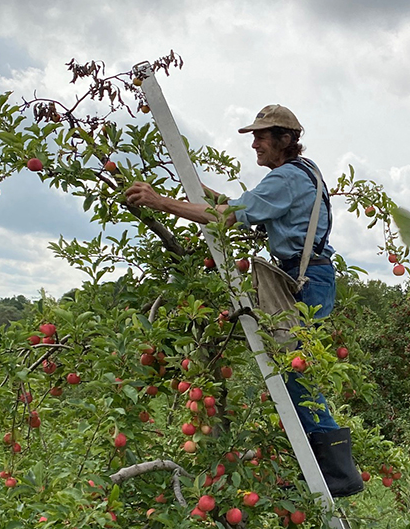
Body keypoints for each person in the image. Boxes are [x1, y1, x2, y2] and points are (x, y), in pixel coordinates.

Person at [124, 104, 363, 497]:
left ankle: (339, 474)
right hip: (313, 277)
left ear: (285, 140)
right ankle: (328, 468)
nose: (254, 144)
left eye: (261, 136)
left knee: (295, 373)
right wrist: (199, 190)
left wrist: (160, 201)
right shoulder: (305, 172)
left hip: (302, 282)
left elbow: (225, 218)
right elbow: (243, 207)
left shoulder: (285, 178)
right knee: (293, 370)